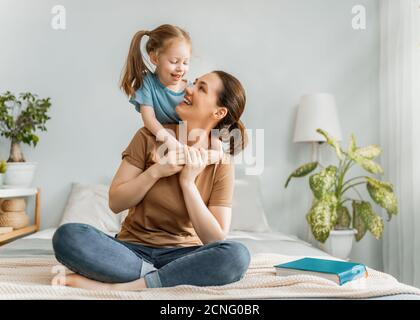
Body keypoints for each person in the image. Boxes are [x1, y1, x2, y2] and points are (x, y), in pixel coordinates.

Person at [52, 71, 250, 291]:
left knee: (237, 255)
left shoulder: (220, 163)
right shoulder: (148, 137)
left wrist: (188, 183)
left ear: (219, 112)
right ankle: (162, 279)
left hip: (183, 256)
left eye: (201, 88)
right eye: (194, 83)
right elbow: (116, 202)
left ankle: (127, 286)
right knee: (68, 236)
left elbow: (215, 239)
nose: (188, 88)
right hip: (130, 250)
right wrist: (155, 172)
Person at [120, 24, 223, 162]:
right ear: (155, 59)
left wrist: (217, 148)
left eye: (186, 62)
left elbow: (209, 120)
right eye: (174, 62)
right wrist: (171, 142)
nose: (181, 68)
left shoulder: (191, 89)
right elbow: (149, 119)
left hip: (190, 142)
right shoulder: (148, 83)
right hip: (165, 143)